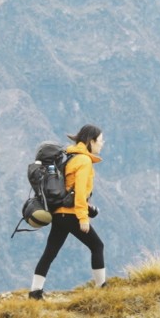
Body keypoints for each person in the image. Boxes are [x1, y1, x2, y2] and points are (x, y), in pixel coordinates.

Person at [28, 124, 106, 298]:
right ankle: (102, 289)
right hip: (71, 214)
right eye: (100, 141)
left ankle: (35, 292)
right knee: (97, 246)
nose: (102, 144)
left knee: (50, 252)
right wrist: (83, 218)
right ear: (91, 141)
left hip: (59, 214)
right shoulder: (84, 161)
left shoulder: (70, 157)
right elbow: (79, 193)